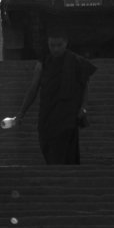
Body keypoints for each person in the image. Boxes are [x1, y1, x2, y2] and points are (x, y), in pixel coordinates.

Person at [10, 29, 97, 165]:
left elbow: (84, 86)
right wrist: (21, 113)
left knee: (65, 151)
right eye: (52, 45)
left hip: (67, 115)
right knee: (46, 144)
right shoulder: (43, 62)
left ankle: (64, 179)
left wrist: (83, 107)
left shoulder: (76, 62)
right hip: (47, 114)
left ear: (66, 43)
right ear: (48, 44)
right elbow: (33, 88)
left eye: (59, 45)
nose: (55, 49)